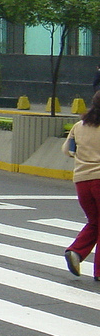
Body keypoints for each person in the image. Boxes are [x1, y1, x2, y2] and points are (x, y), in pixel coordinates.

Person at [62, 91, 100, 281]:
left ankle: (76, 252)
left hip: (82, 181)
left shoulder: (79, 126)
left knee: (95, 222)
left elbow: (67, 150)